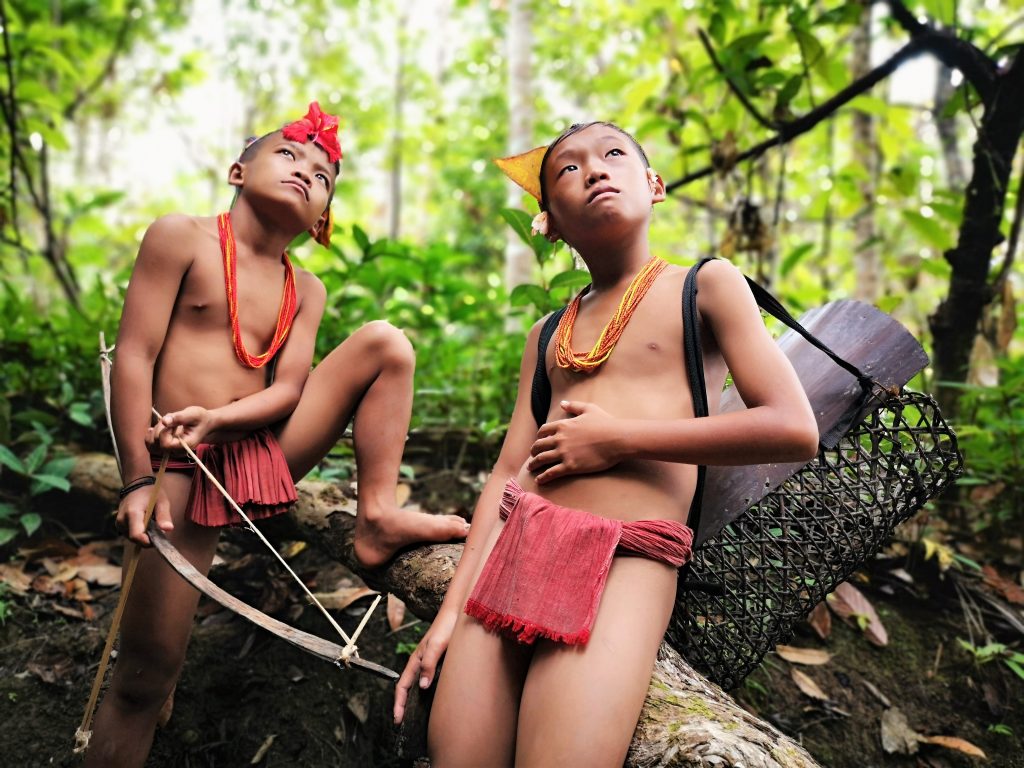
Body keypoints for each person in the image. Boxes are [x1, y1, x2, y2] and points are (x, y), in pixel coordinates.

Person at [393, 121, 819, 767]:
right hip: (518, 546)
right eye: (567, 169)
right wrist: (453, 609)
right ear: (549, 223)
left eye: (614, 155)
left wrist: (618, 439)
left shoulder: (705, 285)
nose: (594, 170)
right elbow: (509, 469)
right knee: (458, 754)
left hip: (627, 554)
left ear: (653, 184)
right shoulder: (546, 332)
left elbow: (793, 427)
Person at [86, 102, 469, 768]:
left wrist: (222, 418)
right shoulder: (180, 237)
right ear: (238, 170)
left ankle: (376, 515)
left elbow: (290, 391)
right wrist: (139, 480)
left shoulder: (307, 288)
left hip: (259, 451)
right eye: (288, 155)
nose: (305, 171)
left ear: (322, 216)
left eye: (322, 174)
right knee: (146, 672)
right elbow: (135, 356)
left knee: (386, 343)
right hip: (177, 467)